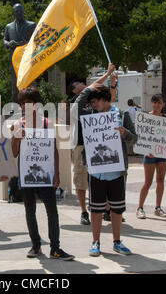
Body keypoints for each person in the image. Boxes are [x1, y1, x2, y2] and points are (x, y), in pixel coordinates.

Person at [75, 63, 137, 256]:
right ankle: (95, 242)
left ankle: (117, 241)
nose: (93, 105)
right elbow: (76, 105)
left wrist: (124, 132)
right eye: (92, 103)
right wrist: (94, 85)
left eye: (96, 102)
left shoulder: (121, 114)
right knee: (95, 209)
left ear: (105, 99)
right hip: (96, 171)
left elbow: (134, 138)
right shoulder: (90, 115)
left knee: (117, 210)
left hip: (117, 170)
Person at [11, 87, 74, 261]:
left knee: (52, 211)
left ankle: (55, 248)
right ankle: (36, 245)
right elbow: (13, 153)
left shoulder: (47, 123)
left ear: (37, 104)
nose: (26, 106)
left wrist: (57, 173)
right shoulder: (17, 125)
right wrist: (17, 137)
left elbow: (53, 150)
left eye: (29, 103)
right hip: (26, 176)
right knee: (29, 211)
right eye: (23, 103)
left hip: (46, 175)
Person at [136, 94, 166, 219]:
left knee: (161, 180)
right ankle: (140, 207)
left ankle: (158, 207)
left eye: (159, 103)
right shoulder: (145, 118)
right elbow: (139, 136)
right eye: (155, 102)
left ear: (163, 104)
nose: (157, 105)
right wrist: (144, 150)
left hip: (162, 153)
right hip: (149, 154)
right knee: (148, 181)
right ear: (151, 103)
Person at [3, 3, 37, 102]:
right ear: (13, 13)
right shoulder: (9, 26)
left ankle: (32, 104)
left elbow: (37, 40)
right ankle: (16, 105)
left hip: (28, 58)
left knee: (29, 82)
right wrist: (9, 43)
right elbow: (4, 40)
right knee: (15, 83)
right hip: (14, 59)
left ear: (23, 12)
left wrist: (25, 43)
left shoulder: (31, 25)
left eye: (21, 11)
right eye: (17, 11)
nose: (19, 13)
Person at [70, 81, 90, 225]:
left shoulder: (96, 99)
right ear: (75, 91)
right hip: (80, 145)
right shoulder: (74, 103)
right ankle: (84, 211)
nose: (83, 84)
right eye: (79, 84)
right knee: (80, 179)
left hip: (96, 144)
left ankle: (107, 209)